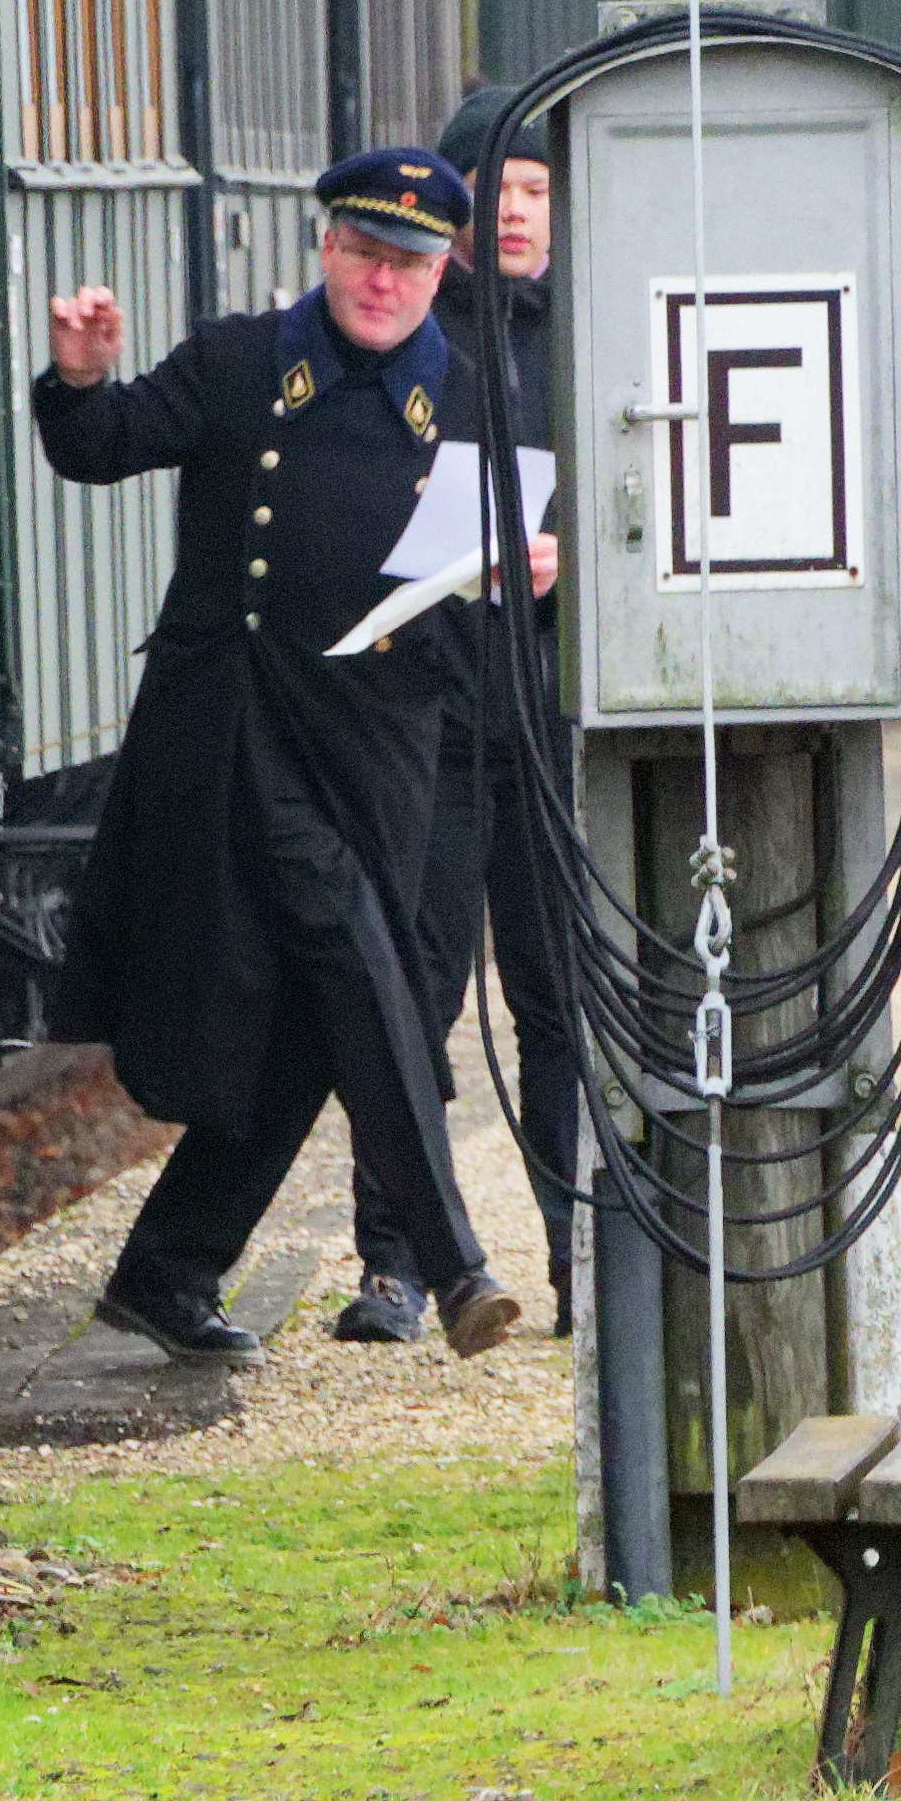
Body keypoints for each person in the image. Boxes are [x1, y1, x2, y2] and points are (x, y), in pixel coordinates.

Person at [37, 147, 528, 1364]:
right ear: (325, 247)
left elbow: (466, 598)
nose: (381, 281)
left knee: (315, 1028)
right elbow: (99, 445)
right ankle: (454, 1262)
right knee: (359, 969)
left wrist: (523, 569)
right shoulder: (241, 359)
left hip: (376, 746)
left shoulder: (464, 396)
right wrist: (78, 374)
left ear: (438, 273)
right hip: (235, 737)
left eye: (409, 263)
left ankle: (165, 1271)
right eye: (364, 253)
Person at [344, 81, 579, 1343]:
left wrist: (563, 570)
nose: (524, 208)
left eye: (542, 186)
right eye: (502, 187)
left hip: (543, 729)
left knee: (557, 1006)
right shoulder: (409, 351)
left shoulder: (588, 340)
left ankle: (574, 1255)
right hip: (426, 722)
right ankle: (395, 1266)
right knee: (413, 995)